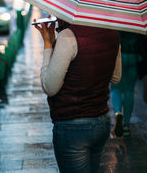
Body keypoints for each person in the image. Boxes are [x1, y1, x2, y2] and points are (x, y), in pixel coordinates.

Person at [34, 16, 121, 173]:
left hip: (72, 126)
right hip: (101, 121)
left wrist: (48, 46)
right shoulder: (113, 32)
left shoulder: (68, 36)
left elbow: (50, 87)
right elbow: (116, 77)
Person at [110, 31, 147, 137]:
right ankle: (126, 125)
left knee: (116, 88)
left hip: (119, 56)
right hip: (133, 56)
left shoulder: (114, 20)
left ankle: (118, 112)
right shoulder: (136, 19)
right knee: (129, 90)